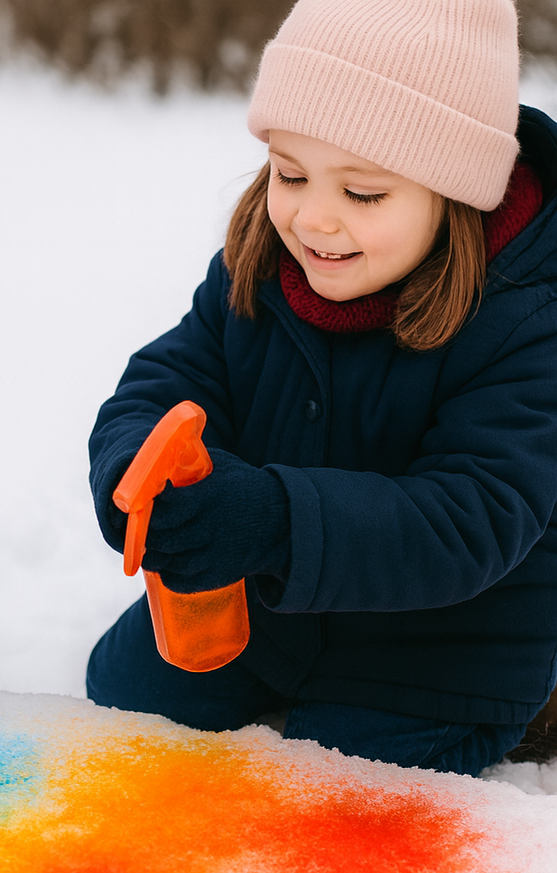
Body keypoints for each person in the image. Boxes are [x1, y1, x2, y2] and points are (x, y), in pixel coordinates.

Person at [87, 0, 557, 776]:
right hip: (258, 616)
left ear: (457, 190)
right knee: (123, 696)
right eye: (290, 173)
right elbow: (168, 381)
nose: (314, 219)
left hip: (438, 654)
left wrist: (275, 520)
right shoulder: (265, 265)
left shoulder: (524, 318)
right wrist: (133, 474)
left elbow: (472, 516)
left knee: (324, 795)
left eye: (363, 194)